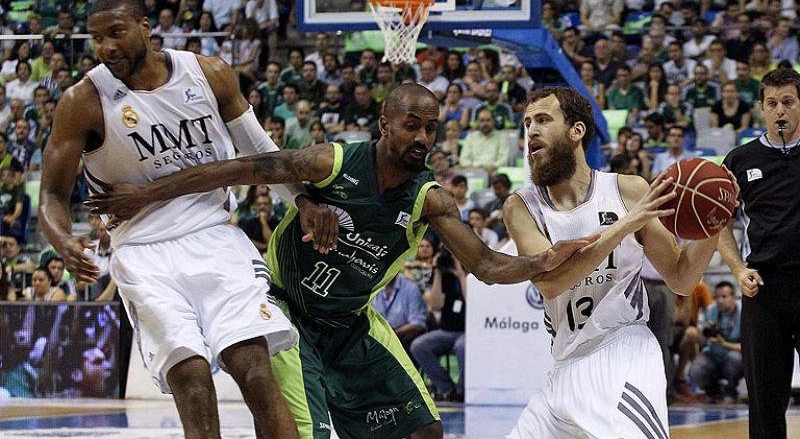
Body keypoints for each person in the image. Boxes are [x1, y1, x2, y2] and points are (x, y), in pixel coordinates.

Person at [86, 83, 595, 439]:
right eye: (411, 126)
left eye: (431, 129)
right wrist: (149, 195)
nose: (422, 138)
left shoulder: (430, 199)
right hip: (288, 312)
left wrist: (544, 259)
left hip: (352, 323)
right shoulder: (331, 163)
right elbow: (240, 167)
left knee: (425, 428)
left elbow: (486, 265)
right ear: (384, 124)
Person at [38, 0, 340, 438]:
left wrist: (302, 200)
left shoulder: (208, 73)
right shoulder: (82, 101)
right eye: (96, 38)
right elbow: (52, 194)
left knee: (254, 366)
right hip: (142, 253)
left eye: (116, 33)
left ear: (146, 28)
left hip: (215, 237)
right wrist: (63, 241)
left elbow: (259, 151)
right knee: (191, 378)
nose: (105, 48)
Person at [503, 87, 737, 438]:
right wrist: (625, 225)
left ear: (576, 131)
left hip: (623, 350)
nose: (532, 130)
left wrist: (712, 220)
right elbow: (551, 281)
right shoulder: (521, 208)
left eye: (543, 120)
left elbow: (681, 277)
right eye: (527, 123)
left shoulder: (628, 190)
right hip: (564, 364)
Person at [717, 68, 800, 439]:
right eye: (772, 103)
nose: (780, 110)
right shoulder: (739, 160)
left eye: (788, 102)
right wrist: (736, 269)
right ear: (762, 109)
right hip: (762, 288)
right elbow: (717, 223)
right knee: (765, 402)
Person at [411, 249, 467, 402]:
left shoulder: (472, 274)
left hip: (469, 331)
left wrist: (461, 274)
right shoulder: (443, 276)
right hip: (447, 330)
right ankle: (448, 389)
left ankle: (462, 392)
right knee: (419, 346)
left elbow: (472, 302)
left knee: (463, 346)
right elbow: (435, 305)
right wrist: (438, 273)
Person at [689, 281, 744, 404]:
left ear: (734, 297)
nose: (719, 300)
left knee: (734, 359)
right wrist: (703, 334)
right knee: (696, 369)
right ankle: (713, 391)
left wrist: (724, 343)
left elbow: (746, 347)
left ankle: (731, 391)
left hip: (733, 355)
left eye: (724, 297)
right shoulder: (711, 310)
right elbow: (703, 340)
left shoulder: (743, 313)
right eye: (717, 297)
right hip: (713, 354)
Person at [371, 273, 427, 358]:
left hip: (403, 333)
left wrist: (395, 333)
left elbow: (417, 323)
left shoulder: (411, 288)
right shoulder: (374, 288)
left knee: (406, 341)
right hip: (380, 334)